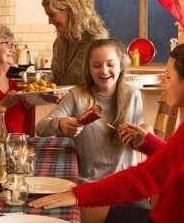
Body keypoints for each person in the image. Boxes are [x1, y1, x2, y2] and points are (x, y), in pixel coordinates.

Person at [29, 42, 184, 223]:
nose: (164, 82)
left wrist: (78, 194)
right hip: (181, 221)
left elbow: (145, 179)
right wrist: (147, 142)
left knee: (60, 215)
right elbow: (178, 161)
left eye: (167, 76)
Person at [35, 38, 144, 183]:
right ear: (88, 68)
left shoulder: (133, 95)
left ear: (121, 66)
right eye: (96, 65)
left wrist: (141, 134)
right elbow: (40, 128)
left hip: (124, 183)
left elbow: (141, 136)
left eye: (110, 64)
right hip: (88, 183)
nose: (104, 71)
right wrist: (61, 124)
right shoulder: (77, 95)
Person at [22, 0, 109, 86]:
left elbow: (104, 87)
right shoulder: (59, 43)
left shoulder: (96, 41)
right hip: (63, 103)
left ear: (72, 11)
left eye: (52, 15)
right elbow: (58, 82)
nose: (50, 22)